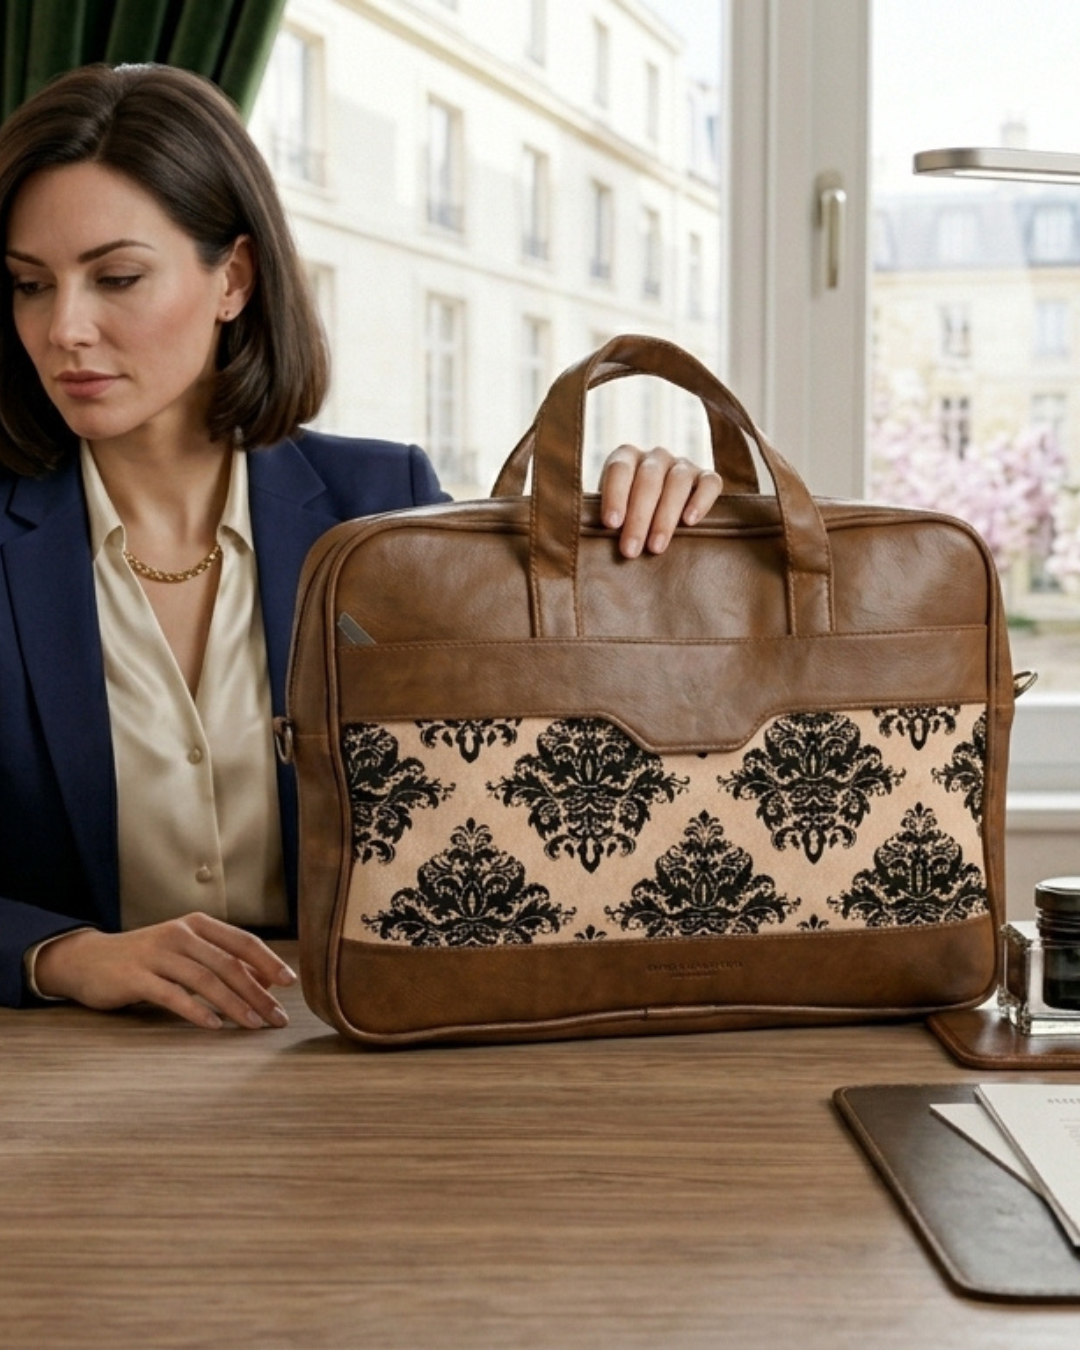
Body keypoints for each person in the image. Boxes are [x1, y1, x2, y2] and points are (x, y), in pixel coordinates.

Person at [0, 63, 723, 1030]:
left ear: (234, 280)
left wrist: (656, 544)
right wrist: (64, 957)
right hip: (62, 1084)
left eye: (117, 277)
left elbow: (549, 795)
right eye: (28, 286)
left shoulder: (385, 507)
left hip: (355, 1049)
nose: (64, 328)